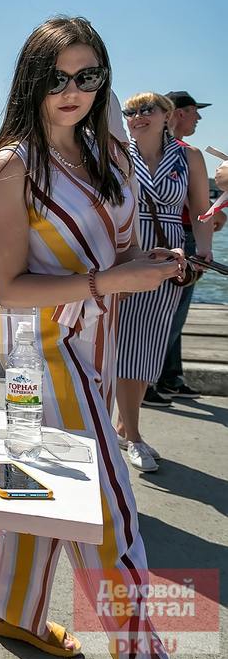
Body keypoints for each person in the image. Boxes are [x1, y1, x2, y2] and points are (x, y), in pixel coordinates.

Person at [0, 16, 180, 659]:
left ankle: (12, 611)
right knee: (107, 509)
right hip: (43, 350)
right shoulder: (11, 169)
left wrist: (154, 262)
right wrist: (112, 278)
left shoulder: (109, 153)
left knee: (37, 484)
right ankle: (139, 649)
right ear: (31, 81)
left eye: (88, 76)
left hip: (96, 345)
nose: (73, 90)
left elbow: (120, 247)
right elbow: (9, 288)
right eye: (56, 77)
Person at [115, 93, 213, 471]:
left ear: (166, 115)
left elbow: (201, 210)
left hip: (169, 257)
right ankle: (131, 435)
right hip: (126, 252)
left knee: (149, 348)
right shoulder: (118, 154)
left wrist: (202, 252)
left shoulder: (189, 157)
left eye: (146, 110)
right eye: (131, 111)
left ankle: (126, 427)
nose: (137, 116)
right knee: (121, 348)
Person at [148, 91, 212, 405]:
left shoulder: (171, 153)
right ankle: (150, 379)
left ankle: (169, 375)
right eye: (193, 111)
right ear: (178, 113)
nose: (198, 117)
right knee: (170, 313)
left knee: (172, 313)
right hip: (178, 237)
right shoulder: (180, 154)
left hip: (181, 236)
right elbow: (199, 206)